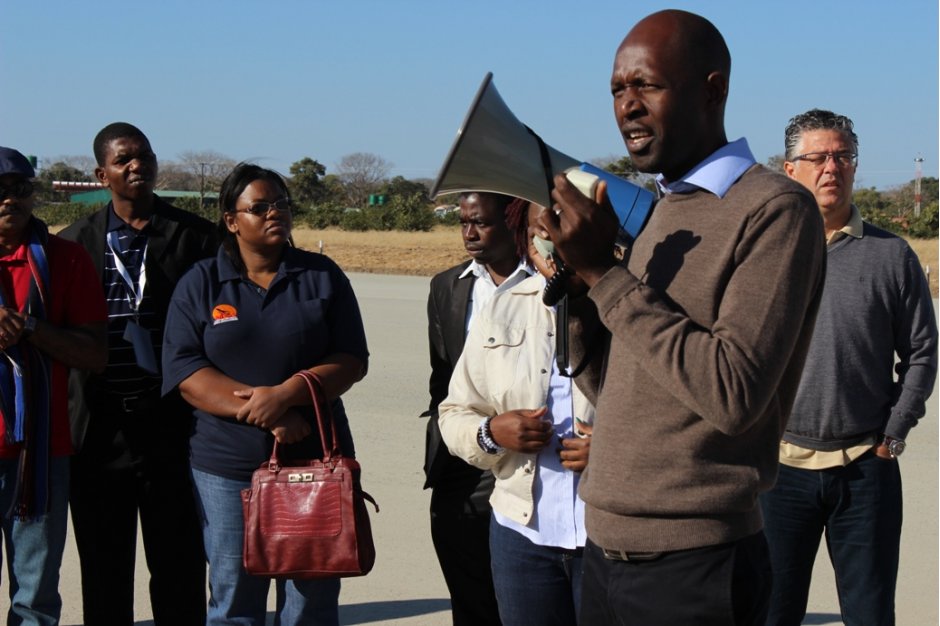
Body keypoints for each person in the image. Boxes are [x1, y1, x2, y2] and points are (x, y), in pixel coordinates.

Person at [535, 10, 827, 625]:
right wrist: (581, 291)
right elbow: (618, 389)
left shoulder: (775, 209)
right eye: (618, 89)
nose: (628, 106)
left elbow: (733, 392)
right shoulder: (660, 211)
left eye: (649, 85)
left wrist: (604, 275)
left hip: (697, 564)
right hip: (607, 548)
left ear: (712, 89)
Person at [161, 163, 369, 625]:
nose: (275, 213)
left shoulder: (321, 275)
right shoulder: (201, 282)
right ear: (231, 220)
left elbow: (352, 358)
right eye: (260, 207)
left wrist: (290, 393)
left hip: (315, 461)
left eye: (281, 204)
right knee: (235, 596)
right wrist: (267, 413)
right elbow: (186, 371)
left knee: (311, 596)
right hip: (228, 467)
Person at [759, 109, 938, 626]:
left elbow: (922, 352)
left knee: (870, 612)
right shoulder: (767, 249)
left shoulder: (893, 255)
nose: (831, 167)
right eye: (816, 157)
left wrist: (894, 433)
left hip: (866, 468)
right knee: (773, 611)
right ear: (790, 170)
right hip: (781, 471)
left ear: (855, 166)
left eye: (842, 156)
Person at [59, 122, 215, 625]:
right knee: (104, 568)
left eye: (144, 156)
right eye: (124, 159)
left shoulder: (196, 237)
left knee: (180, 564)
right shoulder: (73, 245)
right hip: (98, 429)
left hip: (172, 426)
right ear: (100, 172)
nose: (137, 166)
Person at [438, 199, 599, 626]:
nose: (547, 243)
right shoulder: (502, 307)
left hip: (608, 537)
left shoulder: (629, 310)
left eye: (559, 228)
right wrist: (492, 433)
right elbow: (454, 411)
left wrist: (616, 453)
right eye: (536, 232)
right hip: (522, 537)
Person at [0, 147, 107, 624]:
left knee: (36, 594)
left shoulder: (67, 260)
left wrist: (29, 329)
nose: (10, 200)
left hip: (40, 453)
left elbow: (93, 353)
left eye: (20, 189)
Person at [424, 191, 532, 626]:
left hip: (527, 455)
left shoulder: (544, 283)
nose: (469, 233)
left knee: (522, 594)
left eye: (481, 223)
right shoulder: (447, 286)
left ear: (512, 222)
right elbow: (441, 378)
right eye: (463, 222)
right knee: (468, 593)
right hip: (459, 462)